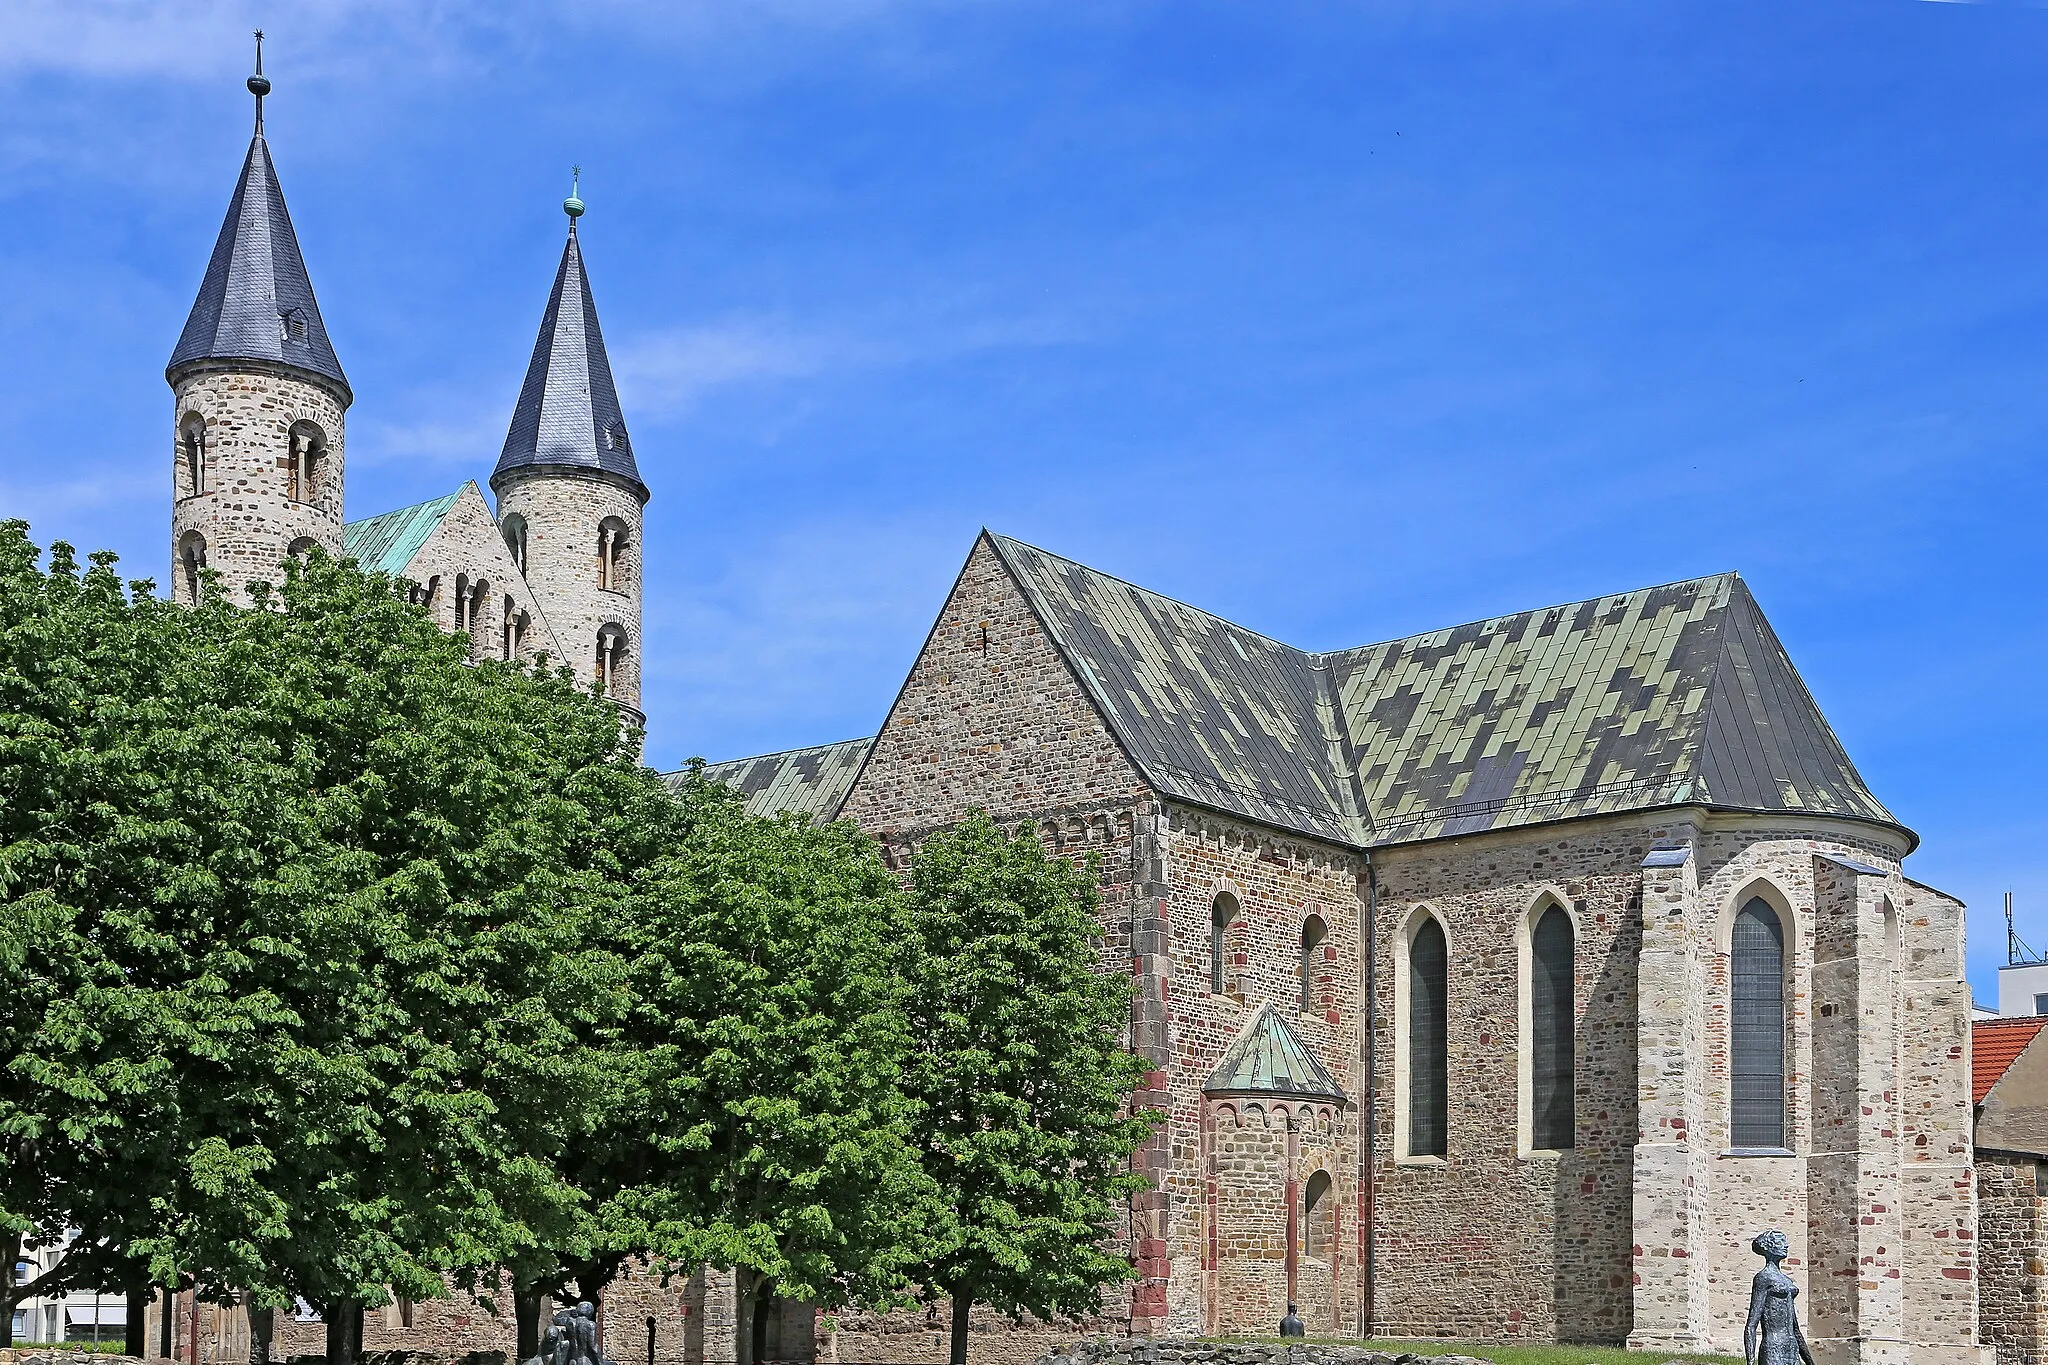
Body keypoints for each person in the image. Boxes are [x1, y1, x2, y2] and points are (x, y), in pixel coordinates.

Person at [1745, 1229, 1815, 1365]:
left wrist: (1810, 1362)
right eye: (1780, 1241)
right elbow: (1751, 1325)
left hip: (1792, 1348)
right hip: (1773, 1347)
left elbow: (1795, 1329)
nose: (1786, 1245)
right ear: (1768, 1247)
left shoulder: (1787, 1280)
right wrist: (1750, 1362)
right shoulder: (1763, 1278)